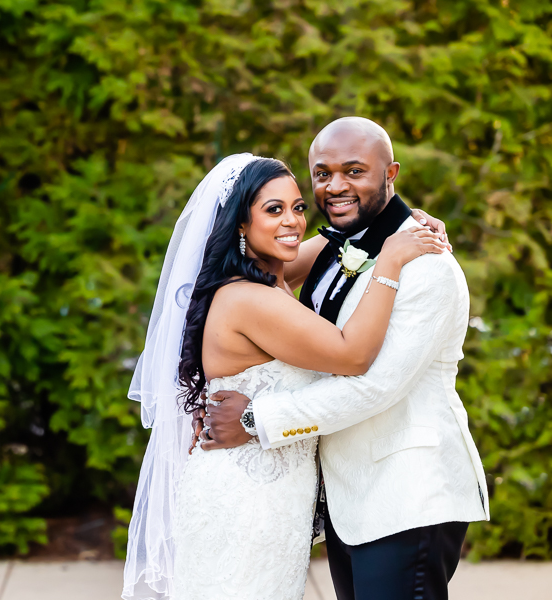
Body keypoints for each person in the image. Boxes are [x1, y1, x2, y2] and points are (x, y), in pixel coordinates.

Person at [122, 143, 449, 599]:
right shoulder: (250, 299)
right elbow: (352, 355)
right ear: (240, 222)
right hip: (248, 500)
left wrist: (403, 217)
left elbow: (352, 235)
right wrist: (391, 262)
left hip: (271, 499)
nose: (293, 221)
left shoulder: (269, 273)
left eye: (297, 207)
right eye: (273, 209)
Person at [196, 118, 490, 600]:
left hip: (405, 496)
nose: (335, 186)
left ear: (390, 172)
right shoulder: (334, 248)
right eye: (322, 173)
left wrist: (254, 417)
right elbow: (262, 266)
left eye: (355, 171)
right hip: (347, 501)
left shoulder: (428, 268)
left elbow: (375, 384)